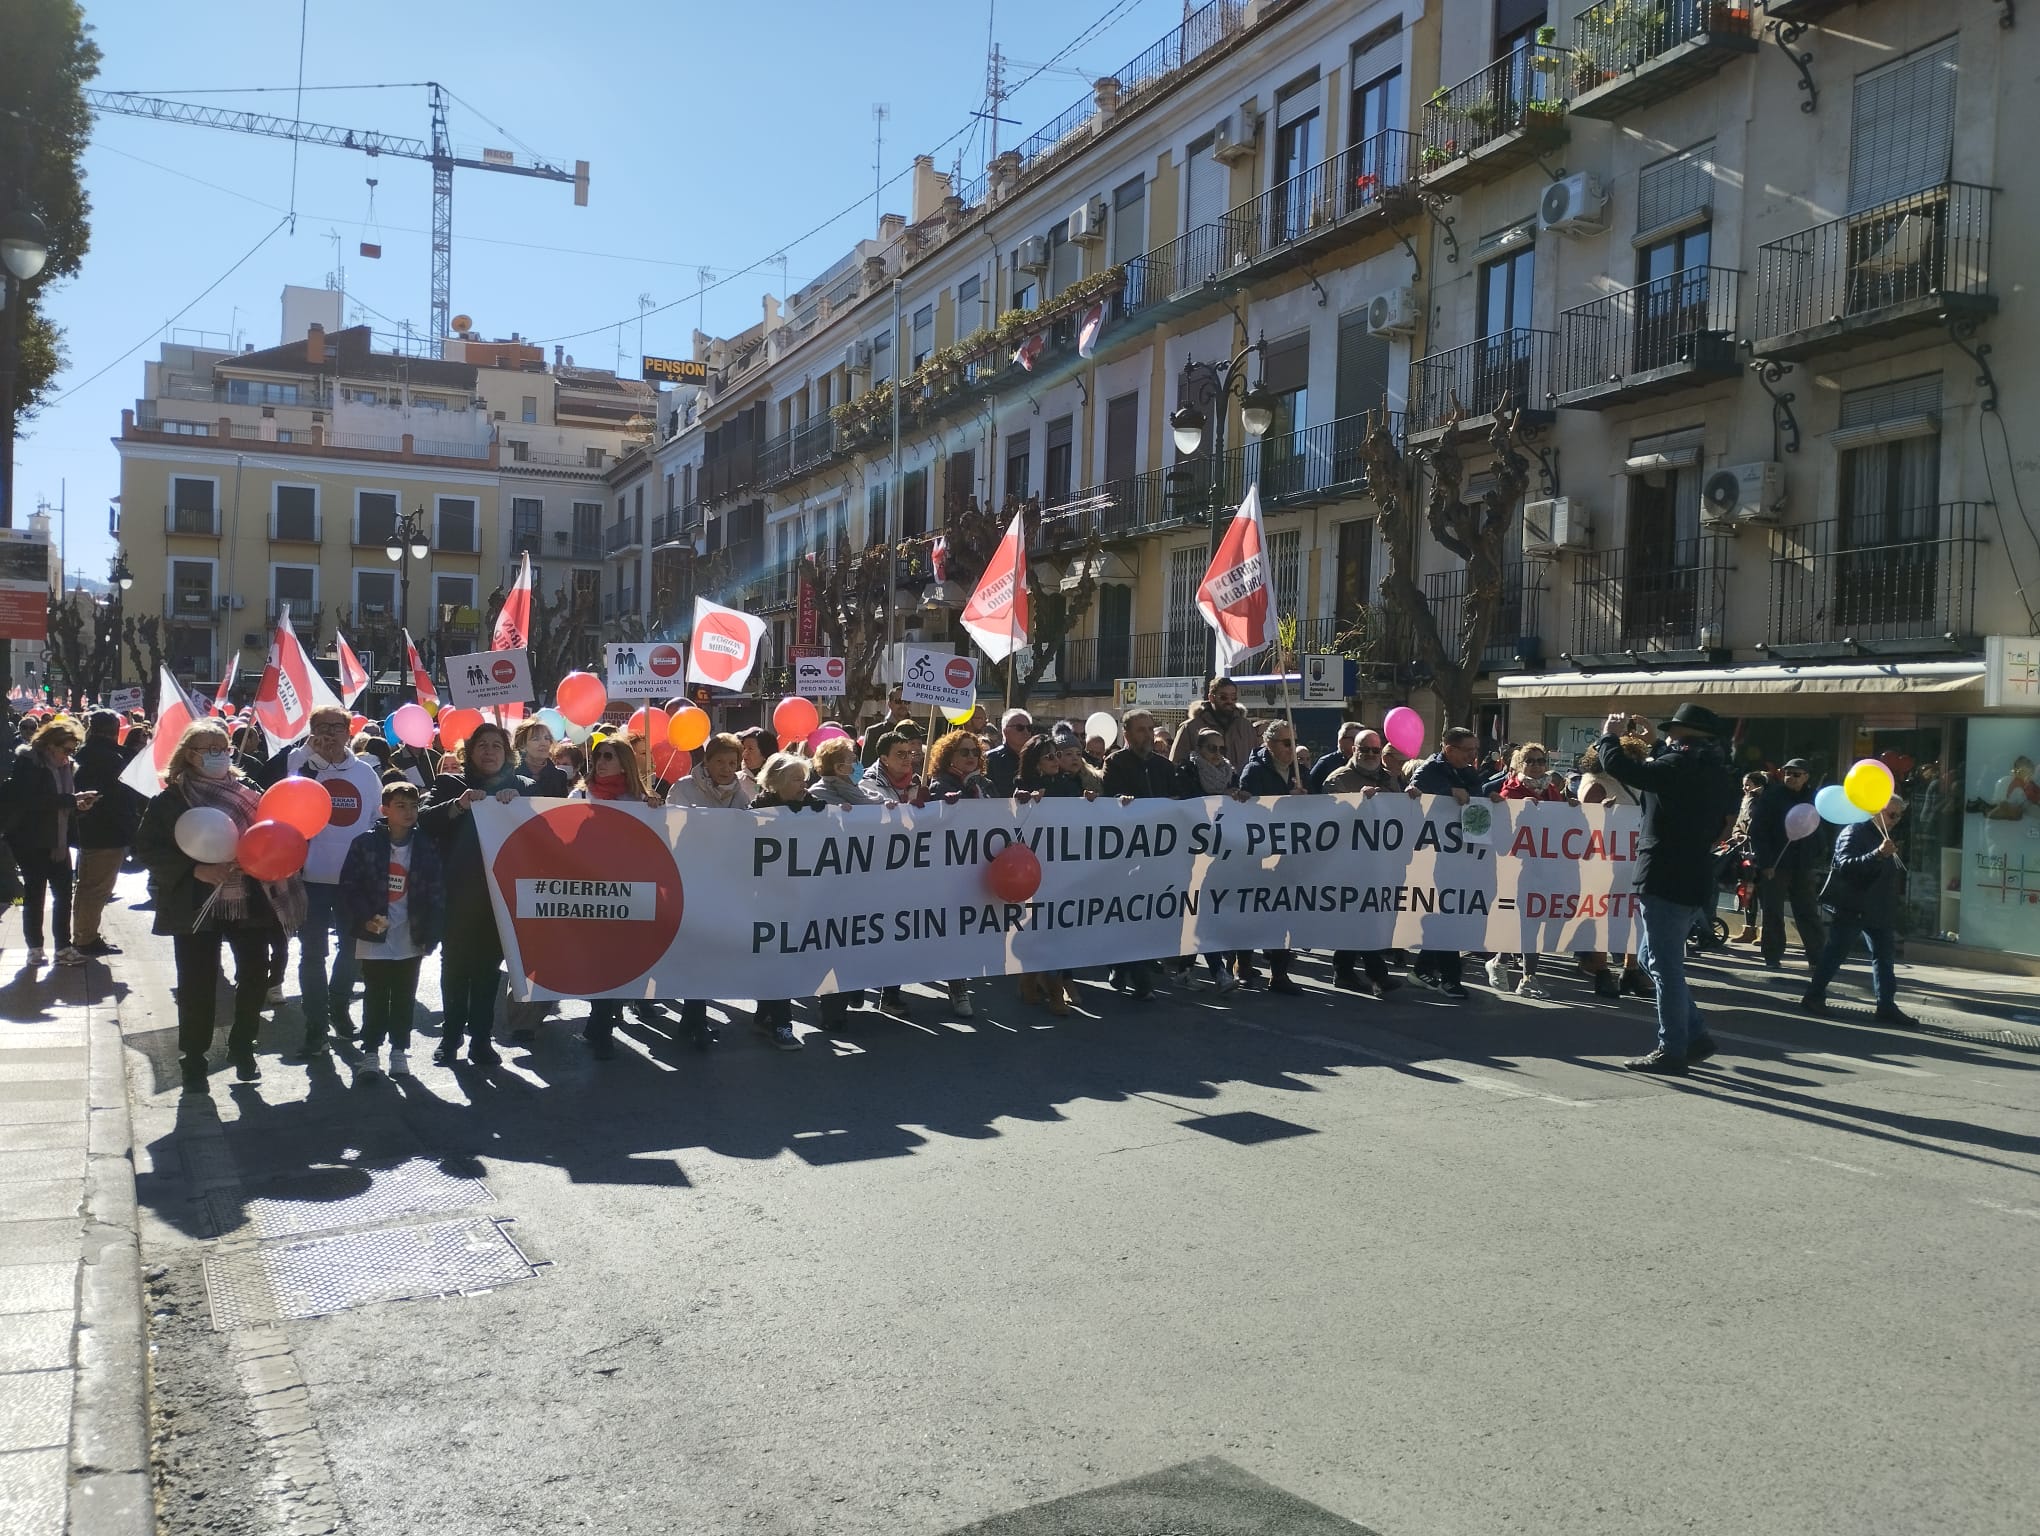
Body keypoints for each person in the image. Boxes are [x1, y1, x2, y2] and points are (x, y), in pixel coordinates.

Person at [134, 720, 307, 1093]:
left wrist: (262, 858)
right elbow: (146, 849)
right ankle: (193, 1056)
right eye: (207, 748)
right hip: (195, 902)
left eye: (222, 747)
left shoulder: (250, 792)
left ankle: (243, 1046)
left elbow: (273, 832)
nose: (217, 755)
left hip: (251, 898)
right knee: (196, 982)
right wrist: (195, 868)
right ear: (188, 755)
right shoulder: (171, 800)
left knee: (255, 974)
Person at [1594, 703, 1740, 1074]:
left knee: (1664, 964)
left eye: (1673, 732)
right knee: (1651, 958)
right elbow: (1667, 772)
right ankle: (1694, 1034)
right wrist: (1658, 744)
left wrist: (1609, 736)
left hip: (1666, 873)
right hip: (1691, 874)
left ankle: (1671, 1048)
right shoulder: (1712, 767)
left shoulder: (1680, 764)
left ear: (1684, 736)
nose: (1669, 737)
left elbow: (1624, 768)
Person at [420, 723, 531, 1067]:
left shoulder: (522, 787)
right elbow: (423, 820)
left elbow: (544, 832)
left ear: (507, 753)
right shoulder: (450, 783)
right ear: (470, 752)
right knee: (455, 968)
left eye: (496, 745)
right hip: (456, 895)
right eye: (481, 745)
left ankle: (481, 1040)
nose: (489, 751)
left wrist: (518, 806)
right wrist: (459, 805)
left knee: (487, 972)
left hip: (500, 899)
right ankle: (451, 1037)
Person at [281, 707, 386, 1056]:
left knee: (354, 948)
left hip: (353, 880)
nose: (330, 734)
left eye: (337, 727)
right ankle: (315, 1025)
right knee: (312, 954)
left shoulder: (366, 774)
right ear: (310, 732)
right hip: (309, 878)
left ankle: (338, 1004)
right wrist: (309, 761)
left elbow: (375, 820)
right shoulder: (297, 767)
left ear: (349, 731)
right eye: (321, 728)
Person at [337, 780, 444, 1083]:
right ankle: (371, 1052)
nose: (409, 812)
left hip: (412, 933)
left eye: (413, 806)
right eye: (400, 806)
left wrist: (432, 934)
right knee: (375, 993)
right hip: (374, 934)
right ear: (384, 809)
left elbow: (437, 892)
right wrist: (364, 917)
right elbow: (349, 887)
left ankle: (399, 1050)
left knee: (404, 995)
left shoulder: (425, 844)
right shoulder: (365, 843)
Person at [661, 733, 754, 1046]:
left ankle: (691, 1019)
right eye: (720, 762)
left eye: (733, 762)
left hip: (725, 881)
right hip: (690, 879)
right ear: (707, 762)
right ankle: (695, 1020)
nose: (727, 769)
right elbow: (673, 829)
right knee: (694, 951)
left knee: (709, 952)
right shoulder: (683, 788)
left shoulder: (743, 791)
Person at [1800, 797, 1916, 1025]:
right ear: (1875, 812)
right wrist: (1877, 854)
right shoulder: (1855, 831)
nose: (1895, 820)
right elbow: (1844, 865)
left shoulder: (1884, 836)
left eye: (1899, 816)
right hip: (1854, 905)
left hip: (1878, 907)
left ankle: (1886, 1005)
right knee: (1835, 953)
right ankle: (1813, 995)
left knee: (1884, 958)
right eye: (1891, 814)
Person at [4, 717, 99, 965]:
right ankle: (35, 949)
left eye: (73, 750)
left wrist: (80, 806)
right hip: (31, 840)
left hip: (58, 841)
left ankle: (62, 948)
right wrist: (71, 800)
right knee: (35, 896)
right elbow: (31, 802)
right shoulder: (30, 764)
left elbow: (64, 807)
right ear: (50, 745)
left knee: (63, 895)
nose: (69, 755)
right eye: (66, 749)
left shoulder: (67, 767)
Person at [1405, 726, 1486, 999]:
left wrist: (1492, 800)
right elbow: (1416, 794)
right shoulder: (1429, 771)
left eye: (1475, 750)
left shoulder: (1468, 771)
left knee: (1449, 913)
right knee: (1446, 912)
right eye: (1468, 750)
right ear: (1449, 750)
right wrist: (1449, 792)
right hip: (1432, 859)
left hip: (1460, 858)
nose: (1473, 755)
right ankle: (1451, 979)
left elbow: (1478, 797)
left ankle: (1422, 968)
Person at [1321, 730, 1403, 996]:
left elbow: (1399, 814)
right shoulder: (1338, 780)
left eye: (1375, 750)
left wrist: (1411, 799)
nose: (1369, 754)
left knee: (1361, 916)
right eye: (1364, 749)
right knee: (1360, 915)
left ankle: (1343, 971)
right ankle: (1377, 975)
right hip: (1347, 860)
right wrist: (1358, 801)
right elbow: (1330, 818)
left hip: (1379, 861)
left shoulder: (1389, 779)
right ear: (1353, 750)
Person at [1101, 709, 1176, 999]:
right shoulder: (1116, 763)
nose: (1147, 734)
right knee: (1127, 913)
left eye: (1150, 728)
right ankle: (1140, 978)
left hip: (1157, 851)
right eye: (1140, 729)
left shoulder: (1163, 766)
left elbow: (1178, 798)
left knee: (1146, 915)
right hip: (1126, 853)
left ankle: (1123, 965)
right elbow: (1109, 798)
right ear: (1127, 735)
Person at [1487, 743, 1570, 1000]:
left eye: (1540, 760)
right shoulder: (1512, 789)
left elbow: (1560, 823)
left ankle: (1500, 960)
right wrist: (1519, 806)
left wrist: (1574, 808)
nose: (1536, 765)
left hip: (1546, 867)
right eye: (1530, 761)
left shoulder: (1553, 790)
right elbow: (1503, 818)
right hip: (1520, 867)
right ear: (1520, 764)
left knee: (1533, 920)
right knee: (1529, 920)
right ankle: (1528, 978)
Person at [1574, 735, 1653, 1001]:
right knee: (1603, 914)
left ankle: (1632, 969)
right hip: (1603, 860)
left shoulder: (1639, 782)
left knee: (1634, 914)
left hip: (1634, 857)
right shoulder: (1597, 783)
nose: (1631, 763)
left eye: (1634, 759)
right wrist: (1602, 811)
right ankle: (1602, 969)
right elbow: (1584, 820)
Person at [924, 728, 993, 1018]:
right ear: (948, 756)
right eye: (963, 752)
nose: (971, 756)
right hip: (948, 869)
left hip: (980, 864)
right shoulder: (940, 784)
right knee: (951, 927)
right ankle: (958, 988)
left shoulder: (984, 783)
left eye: (974, 751)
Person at [1175, 727, 1248, 994]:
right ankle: (1218, 972)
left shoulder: (1232, 773)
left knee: (1202, 910)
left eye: (1222, 749)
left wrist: (1241, 797)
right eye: (1212, 749)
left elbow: (1241, 801)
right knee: (1200, 909)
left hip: (1220, 853)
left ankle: (1184, 969)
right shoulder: (1186, 771)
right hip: (1192, 851)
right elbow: (1189, 802)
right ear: (1199, 749)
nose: (1218, 755)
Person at [1238, 719, 1308, 995]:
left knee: (1283, 912)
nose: (1291, 748)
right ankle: (1243, 966)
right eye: (1285, 743)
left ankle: (1279, 974)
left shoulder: (1301, 771)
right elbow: (1251, 808)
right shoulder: (1253, 771)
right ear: (1269, 743)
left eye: (1293, 742)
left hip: (1288, 856)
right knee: (1252, 912)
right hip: (1258, 856)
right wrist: (1285, 798)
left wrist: (1306, 798)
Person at [70, 710, 139, 958]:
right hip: (107, 832)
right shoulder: (111, 759)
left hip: (90, 829)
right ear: (114, 730)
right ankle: (85, 938)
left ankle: (83, 933)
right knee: (97, 888)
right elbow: (123, 798)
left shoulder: (84, 754)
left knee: (88, 886)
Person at [1748, 758, 1827, 972]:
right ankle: (1772, 956)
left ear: (1806, 777)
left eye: (1796, 774)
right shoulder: (1772, 796)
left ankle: (1817, 957)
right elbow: (1758, 831)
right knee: (1773, 911)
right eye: (1787, 773)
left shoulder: (1814, 798)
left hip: (1803, 863)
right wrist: (1765, 863)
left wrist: (1818, 852)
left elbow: (1822, 829)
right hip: (1775, 863)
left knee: (1807, 910)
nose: (1790, 778)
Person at [1168, 675, 1257, 769]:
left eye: (1233, 697)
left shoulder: (1245, 726)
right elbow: (1175, 765)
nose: (1229, 701)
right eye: (1223, 697)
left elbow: (1254, 761)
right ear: (1211, 698)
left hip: (1238, 783)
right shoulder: (1190, 727)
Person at [1728, 771, 1768, 943]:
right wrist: (1738, 834)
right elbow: (1739, 823)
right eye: (1744, 784)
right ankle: (1748, 929)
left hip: (1762, 854)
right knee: (1747, 891)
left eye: (1748, 784)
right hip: (1746, 852)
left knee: (1764, 893)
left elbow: (1758, 827)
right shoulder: (1746, 801)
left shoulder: (1763, 802)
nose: (1745, 788)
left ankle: (1766, 931)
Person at [515, 717, 574, 796]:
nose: (544, 743)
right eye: (536, 739)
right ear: (522, 745)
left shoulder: (559, 776)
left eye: (547, 738)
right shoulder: (510, 773)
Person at [860, 687, 915, 768]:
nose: (903, 705)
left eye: (906, 702)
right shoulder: (874, 732)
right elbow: (867, 766)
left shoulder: (916, 731)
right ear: (889, 704)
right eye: (898, 701)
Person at [984, 708, 1032, 797]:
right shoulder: (990, 759)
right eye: (1019, 728)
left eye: (1029, 728)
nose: (1026, 732)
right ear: (1005, 731)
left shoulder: (1038, 757)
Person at [1308, 722, 1364, 793]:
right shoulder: (1326, 763)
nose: (1357, 744)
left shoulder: (1366, 763)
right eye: (1354, 739)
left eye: (1360, 741)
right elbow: (1311, 788)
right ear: (1340, 740)